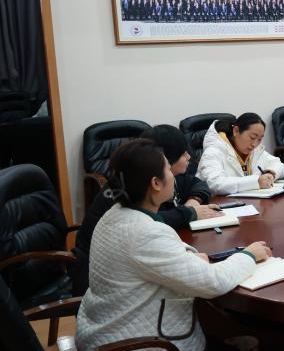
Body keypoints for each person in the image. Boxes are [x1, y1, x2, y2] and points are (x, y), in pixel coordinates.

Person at [75, 140, 272, 351]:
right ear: (155, 183)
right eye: (168, 169)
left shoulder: (113, 216)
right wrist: (249, 255)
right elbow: (212, 283)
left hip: (98, 344)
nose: (174, 174)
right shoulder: (145, 233)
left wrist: (188, 258)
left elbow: (152, 259)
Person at [71, 125, 224, 296]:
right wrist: (189, 214)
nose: (189, 156)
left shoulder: (138, 188)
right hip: (103, 281)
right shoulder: (129, 206)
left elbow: (197, 184)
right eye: (183, 153)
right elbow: (210, 280)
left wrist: (193, 202)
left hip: (120, 283)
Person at [197, 112, 284, 195]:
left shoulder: (255, 150)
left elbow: (279, 165)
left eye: (259, 139)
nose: (255, 144)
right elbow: (214, 184)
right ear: (236, 131)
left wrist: (270, 173)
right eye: (252, 137)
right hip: (221, 204)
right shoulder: (213, 151)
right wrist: (256, 182)